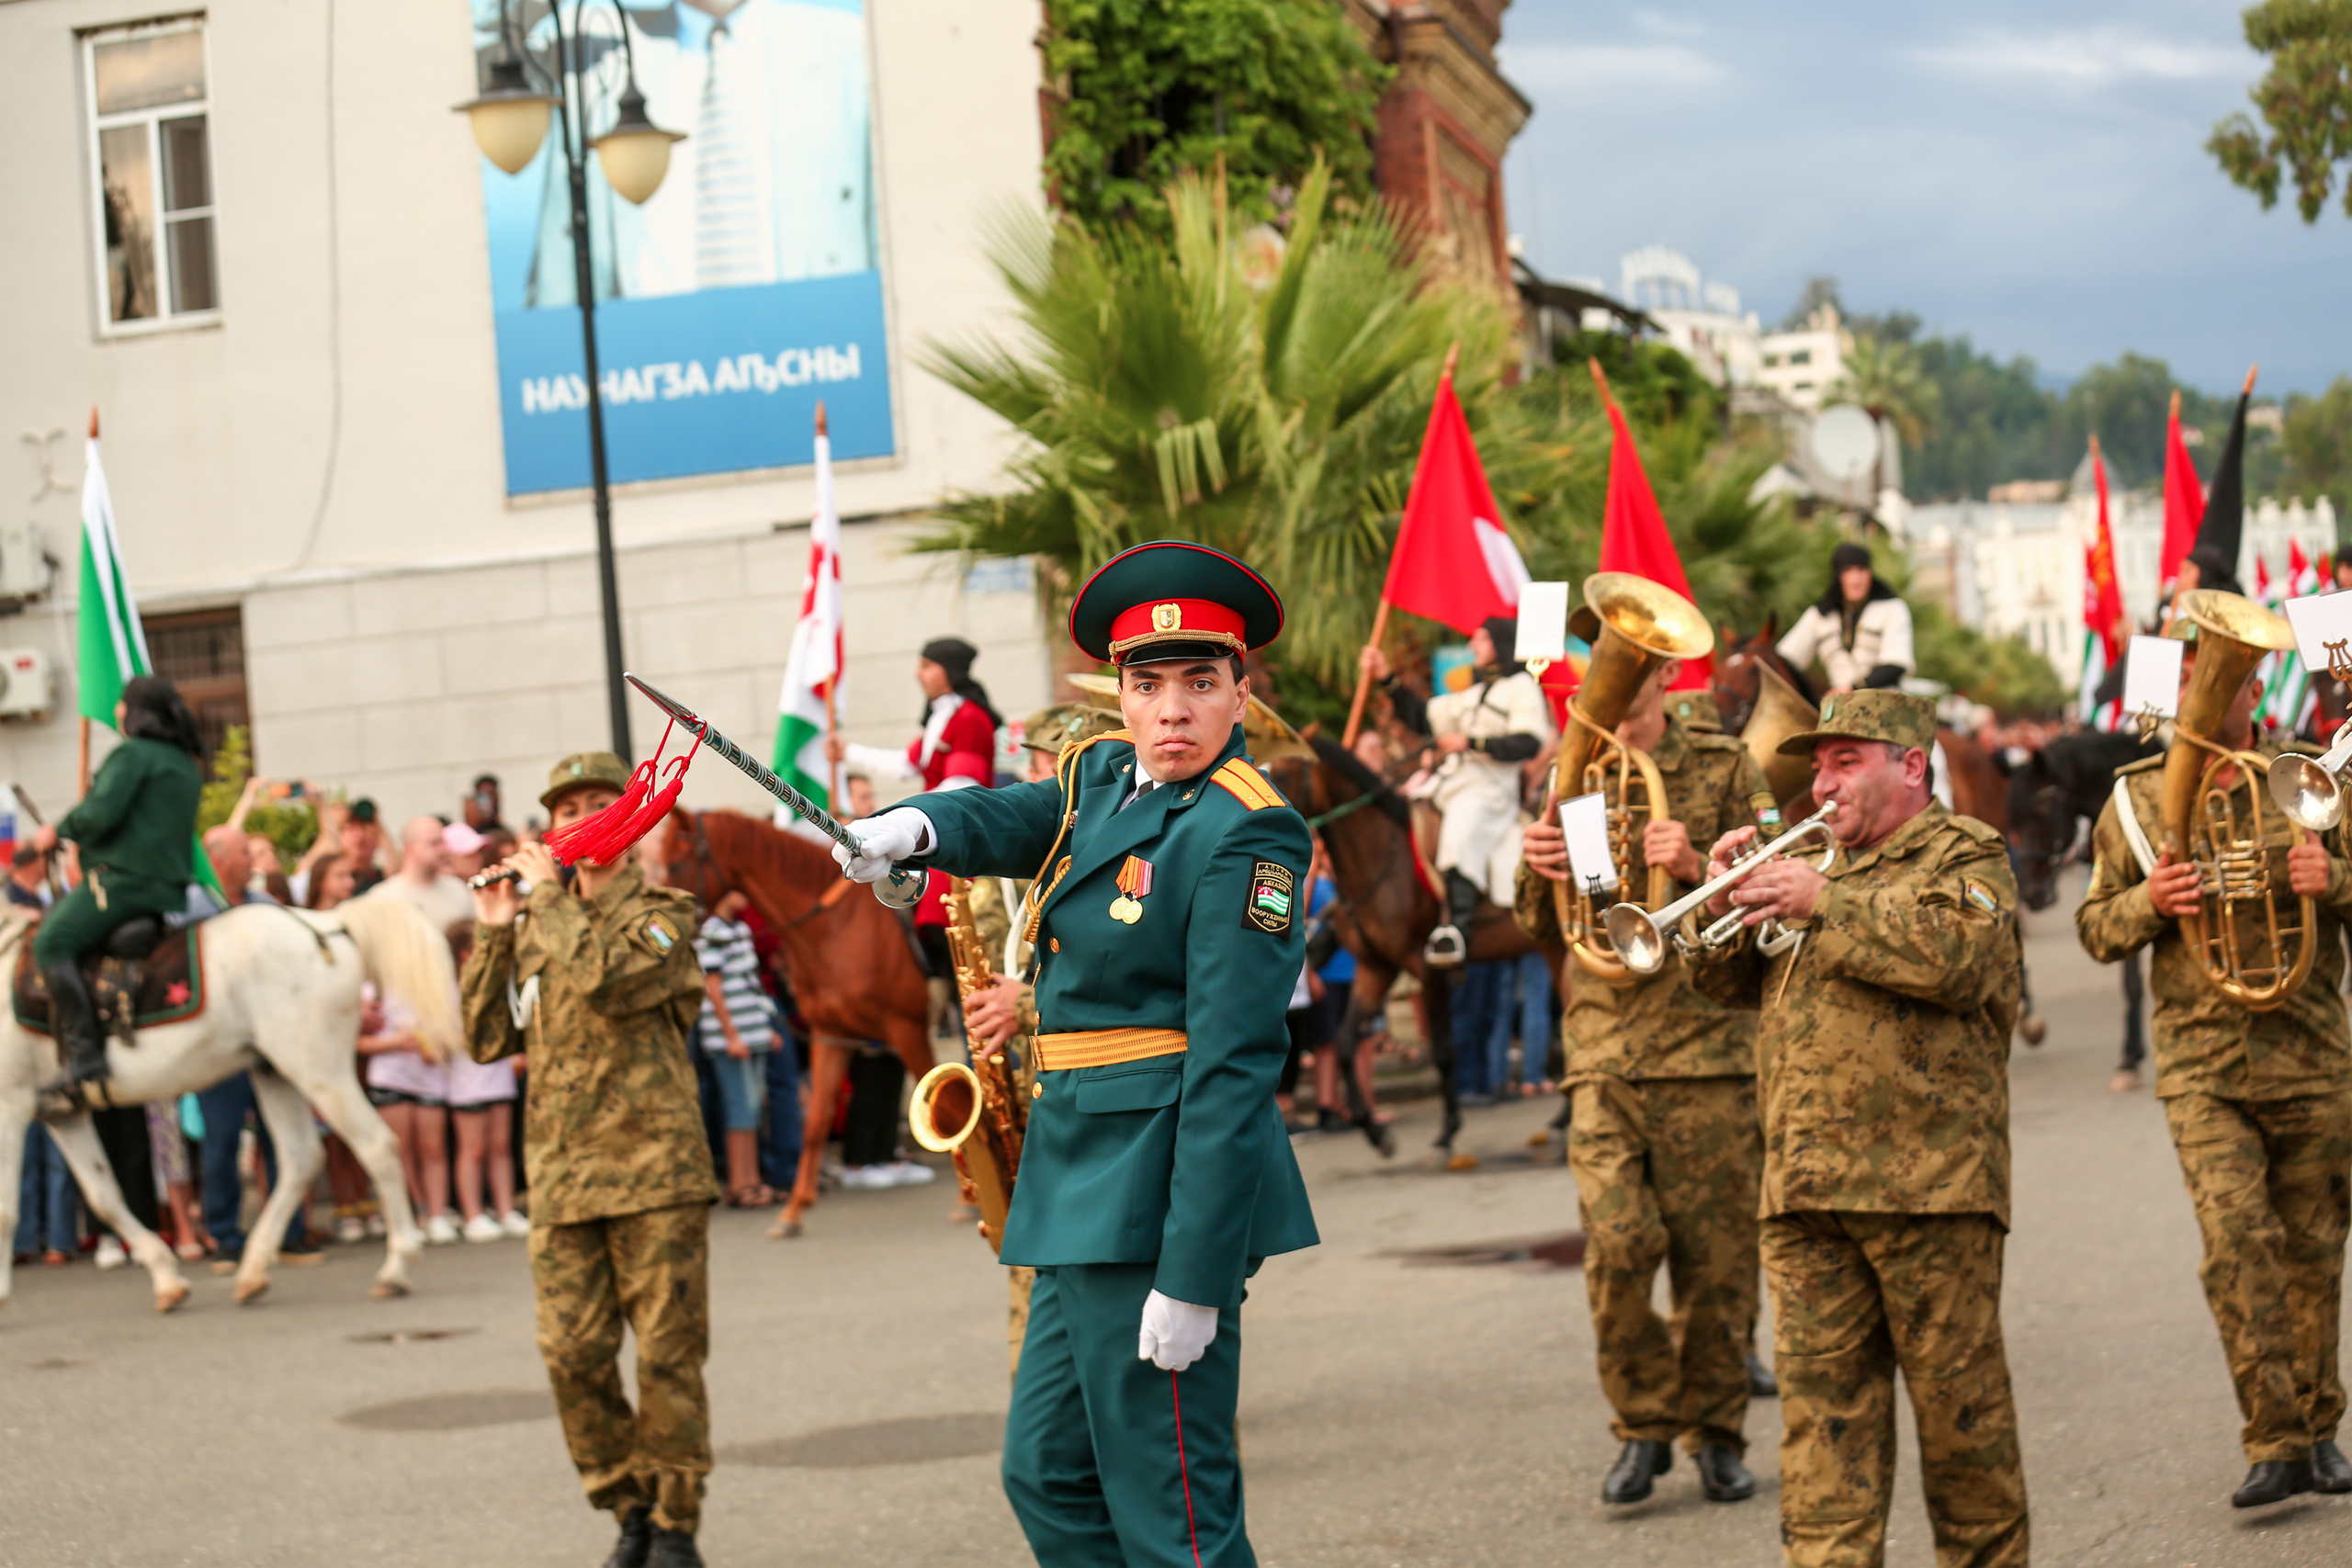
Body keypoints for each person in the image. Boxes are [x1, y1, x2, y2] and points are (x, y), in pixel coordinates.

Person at [835, 541, 1317, 1565]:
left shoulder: (1249, 834)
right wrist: (909, 825)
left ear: (1241, 692)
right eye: (1148, 685)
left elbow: (1234, 1067)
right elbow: (1009, 815)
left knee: (1171, 1506)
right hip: (1076, 1185)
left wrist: (1192, 1275)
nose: (1173, 709)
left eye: (1200, 682)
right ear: (1122, 697)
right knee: (1046, 1470)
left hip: (1156, 1194)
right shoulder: (1103, 775)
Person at [1688, 689, 2029, 1568]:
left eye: (1847, 760)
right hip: (1805, 1194)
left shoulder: (1967, 853)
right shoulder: (1810, 861)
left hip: (1932, 1193)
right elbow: (1715, 982)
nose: (1821, 783)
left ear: (1910, 766)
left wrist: (1821, 902)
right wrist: (1713, 890)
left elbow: (1961, 963)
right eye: (1816, 765)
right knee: (1822, 1445)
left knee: (1965, 1439)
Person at [2076, 628, 2352, 1507]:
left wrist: (2335, 881)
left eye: (2224, 676)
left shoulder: (2313, 778)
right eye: (2194, 675)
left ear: (2254, 687)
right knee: (2239, 1244)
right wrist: (2148, 902)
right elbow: (2092, 928)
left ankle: (2318, 1430)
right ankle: (2271, 1438)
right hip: (2205, 1066)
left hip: (2312, 1054)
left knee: (2314, 1254)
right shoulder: (2132, 801)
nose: (2208, 691)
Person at [1515, 647, 1774, 1506]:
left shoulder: (1726, 762)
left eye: (1637, 668)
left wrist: (1701, 863)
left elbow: (1777, 888)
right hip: (1605, 1050)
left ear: (1668, 678)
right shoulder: (1573, 767)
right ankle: (1642, 1426)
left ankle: (1717, 1433)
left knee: (1717, 1264)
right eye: (1608, 668)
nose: (1619, 686)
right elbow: (1538, 918)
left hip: (1709, 1049)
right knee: (1618, 1245)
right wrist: (1537, 864)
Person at [461, 751, 717, 1568]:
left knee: (669, 1355)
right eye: (568, 807)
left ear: (635, 814)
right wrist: (495, 935)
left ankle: (676, 1523)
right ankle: (626, 1503)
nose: (582, 817)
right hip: (565, 1180)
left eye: (601, 801)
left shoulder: (666, 914)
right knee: (572, 1356)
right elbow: (485, 1038)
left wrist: (541, 898)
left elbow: (608, 981)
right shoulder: (538, 919)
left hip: (656, 1175)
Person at [27, 675, 205, 1098]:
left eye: (123, 705)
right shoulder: (185, 764)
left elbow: (99, 816)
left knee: (50, 942)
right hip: (166, 891)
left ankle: (84, 1053)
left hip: (122, 885)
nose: (118, 712)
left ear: (136, 710)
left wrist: (59, 830)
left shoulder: (132, 756)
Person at [1362, 621, 1554, 967]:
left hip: (1490, 791)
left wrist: (1471, 742)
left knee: (1462, 829)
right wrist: (1386, 677)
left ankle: (1457, 930)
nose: (1474, 642)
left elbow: (1530, 741)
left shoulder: (1522, 686)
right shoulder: (1471, 692)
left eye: (1482, 637)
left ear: (1499, 642)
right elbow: (1422, 718)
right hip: (1446, 785)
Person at [695, 890, 780, 1208]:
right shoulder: (711, 933)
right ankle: (739, 1182)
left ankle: (752, 1179)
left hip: (754, 1028)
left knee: (753, 1107)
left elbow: (750, 980)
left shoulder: (740, 930)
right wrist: (731, 1035)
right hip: (731, 1035)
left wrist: (767, 1025)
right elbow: (712, 986)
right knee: (739, 1109)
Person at [1775, 542, 1915, 694]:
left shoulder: (1892, 608)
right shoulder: (1819, 615)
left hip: (1886, 704)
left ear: (1870, 574)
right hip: (1840, 710)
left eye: (1861, 570)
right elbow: (1782, 661)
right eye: (1848, 571)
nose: (1856, 580)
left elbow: (1896, 665)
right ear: (1838, 576)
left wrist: (1850, 689)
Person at [373, 816, 476, 932]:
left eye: (443, 842)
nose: (444, 850)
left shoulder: (458, 889)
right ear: (409, 848)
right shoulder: (384, 897)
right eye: (434, 843)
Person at [7, 845, 50, 909]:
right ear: (31, 866)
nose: (46, 867)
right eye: (43, 862)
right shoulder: (9, 898)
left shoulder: (32, 894)